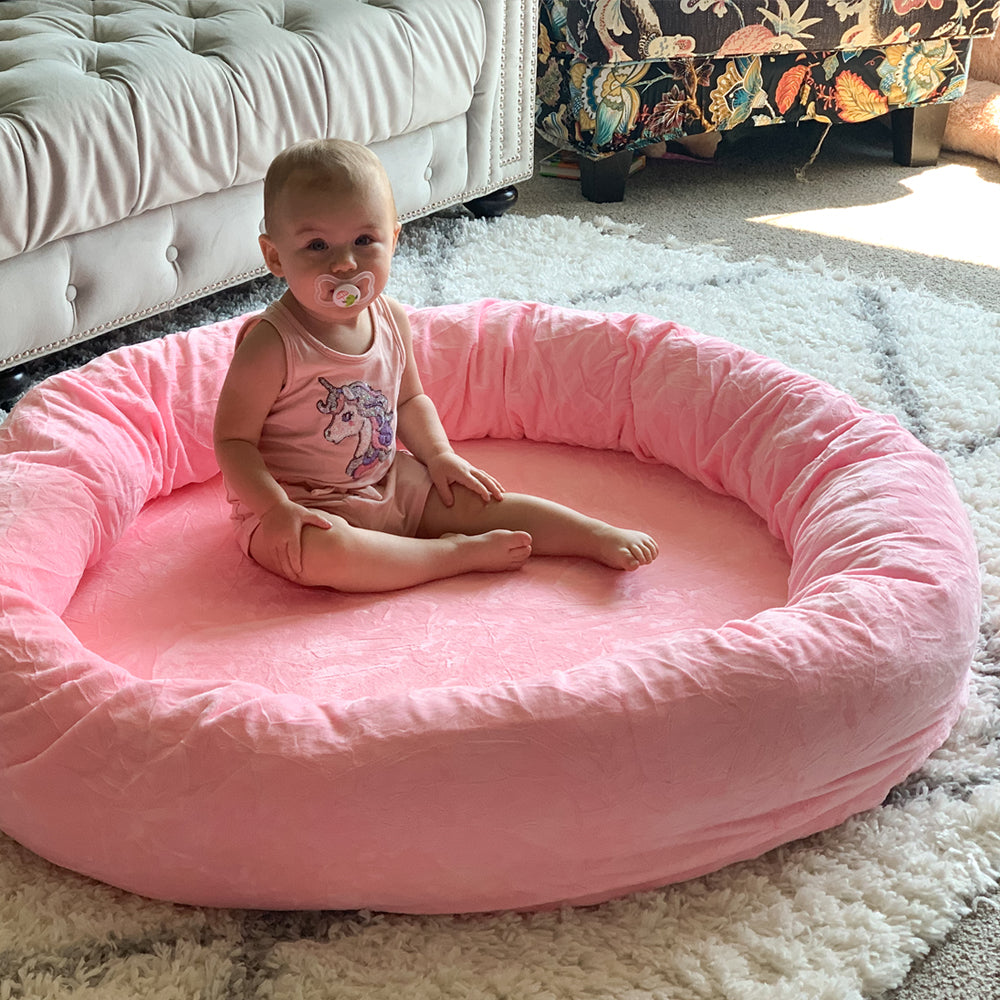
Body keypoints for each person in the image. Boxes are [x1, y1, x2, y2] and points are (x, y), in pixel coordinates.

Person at [214, 138, 659, 592]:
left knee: (476, 499)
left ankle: (590, 534)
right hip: (299, 504)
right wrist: (274, 508)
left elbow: (408, 400)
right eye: (316, 245)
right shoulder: (272, 344)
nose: (345, 264)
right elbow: (233, 441)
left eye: (364, 241)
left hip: (386, 478)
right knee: (324, 556)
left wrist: (439, 456)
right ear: (274, 257)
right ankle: (450, 555)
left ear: (394, 239)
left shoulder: (391, 319)